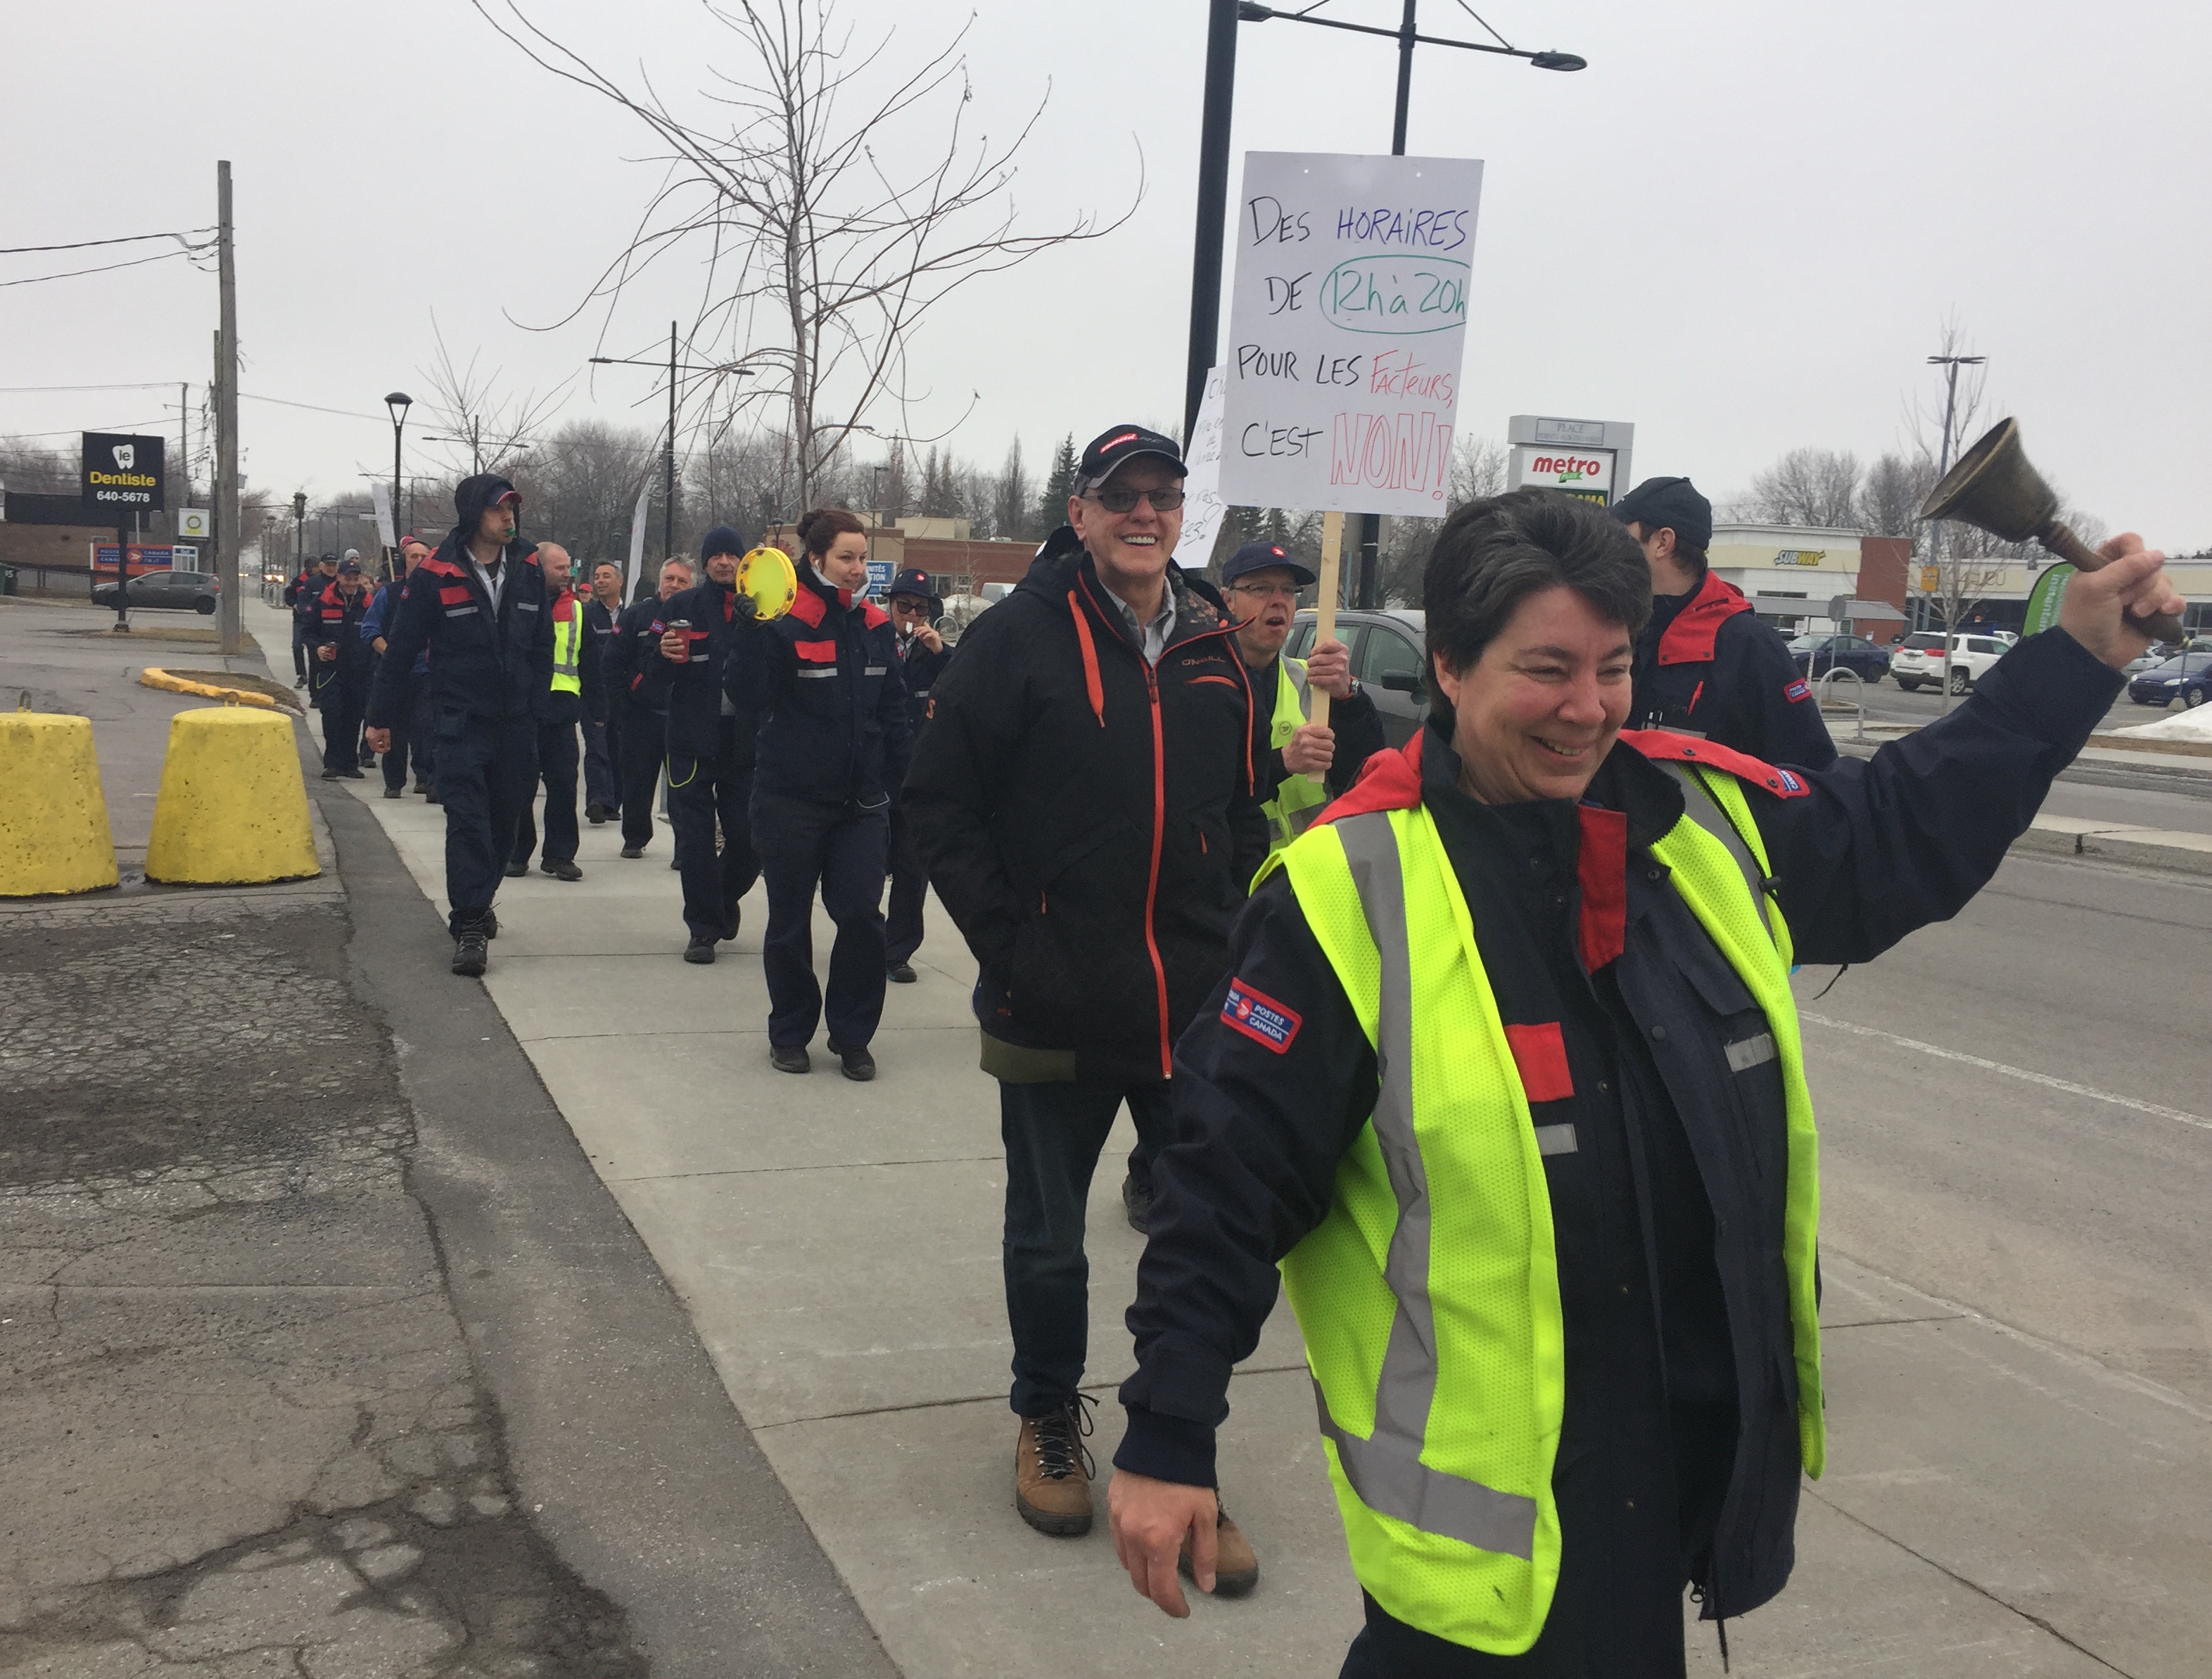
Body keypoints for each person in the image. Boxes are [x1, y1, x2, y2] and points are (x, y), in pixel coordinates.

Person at [1104, 489, 2182, 1674]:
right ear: (1450, 667)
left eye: (1610, 667)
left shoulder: (1701, 819)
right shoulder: (1344, 890)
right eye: (1546, 669)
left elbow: (1894, 832)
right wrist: (1167, 1431)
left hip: (1673, 1474)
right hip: (1493, 1528)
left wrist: (2071, 659)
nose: (1584, 709)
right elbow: (1222, 1178)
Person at [903, 424, 1267, 1570]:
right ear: (1079, 511)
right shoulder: (1014, 639)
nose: (1143, 514)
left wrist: (1241, 945)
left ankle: (1180, 1453)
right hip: (1051, 999)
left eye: (1160, 496)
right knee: (1050, 1240)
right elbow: (938, 808)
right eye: (1121, 497)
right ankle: (1046, 1417)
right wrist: (1015, 948)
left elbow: (1241, 814)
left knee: (1204, 1240)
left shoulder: (1216, 650)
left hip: (1190, 1006)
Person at [725, 508, 911, 1080]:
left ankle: (853, 1036)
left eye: (862, 559)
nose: (858, 569)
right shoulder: (784, 622)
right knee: (788, 922)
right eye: (846, 558)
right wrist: (749, 632)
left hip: (861, 806)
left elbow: (896, 714)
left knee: (861, 917)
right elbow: (748, 696)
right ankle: (790, 1033)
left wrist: (905, 787)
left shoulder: (877, 626)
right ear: (816, 560)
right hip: (791, 802)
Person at [365, 475, 554, 978]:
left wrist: (535, 702)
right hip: (459, 722)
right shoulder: (435, 573)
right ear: (475, 514)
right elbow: (401, 650)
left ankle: (479, 896)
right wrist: (379, 719)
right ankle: (470, 922)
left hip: (516, 724)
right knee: (467, 823)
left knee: (505, 822)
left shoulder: (530, 566)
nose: (509, 518)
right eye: (499, 510)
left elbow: (542, 644)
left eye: (513, 509)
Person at [1618, 476, 1838, 771]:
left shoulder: (1748, 645)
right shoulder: (1616, 626)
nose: (1611, 547)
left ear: (1662, 542)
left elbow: (1810, 773)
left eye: (1621, 535)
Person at [1218, 539, 1389, 872]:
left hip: (1316, 879)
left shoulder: (1310, 681)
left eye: (1288, 590)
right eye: (1261, 588)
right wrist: (1282, 762)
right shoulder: (1205, 684)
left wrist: (1348, 697)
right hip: (1239, 886)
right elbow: (1205, 792)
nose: (1278, 601)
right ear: (1228, 601)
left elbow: (1365, 772)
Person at [659, 526, 761, 964]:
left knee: (751, 838)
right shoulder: (681, 607)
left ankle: (720, 900)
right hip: (690, 741)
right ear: (704, 563)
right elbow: (650, 677)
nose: (724, 562)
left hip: (745, 744)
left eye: (731, 555)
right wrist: (661, 655)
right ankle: (702, 930)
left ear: (743, 562)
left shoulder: (760, 610)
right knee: (696, 842)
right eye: (715, 555)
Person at [506, 542, 603, 882]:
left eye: (569, 569)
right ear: (539, 568)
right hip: (522, 708)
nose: (567, 575)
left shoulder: (577, 610)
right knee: (520, 784)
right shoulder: (515, 604)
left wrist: (598, 708)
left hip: (561, 710)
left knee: (563, 784)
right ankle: (517, 853)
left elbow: (590, 661)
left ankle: (560, 855)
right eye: (560, 568)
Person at [878, 567, 948, 984]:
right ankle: (865, 940)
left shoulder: (936, 652)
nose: (911, 615)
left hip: (917, 778)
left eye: (920, 609)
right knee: (868, 868)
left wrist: (941, 653)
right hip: (875, 772)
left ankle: (898, 951)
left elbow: (965, 688)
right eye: (904, 606)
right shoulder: (873, 641)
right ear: (890, 606)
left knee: (911, 868)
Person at [606, 557, 692, 863]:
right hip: (640, 715)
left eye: (682, 581)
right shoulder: (636, 616)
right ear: (660, 581)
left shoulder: (699, 616)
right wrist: (622, 705)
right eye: (670, 579)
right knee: (637, 781)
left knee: (684, 789)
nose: (675, 586)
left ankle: (685, 848)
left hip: (683, 716)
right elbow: (612, 662)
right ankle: (634, 838)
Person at [362, 536, 436, 800]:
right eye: (413, 556)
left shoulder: (439, 593)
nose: (419, 561)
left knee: (427, 728)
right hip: (397, 675)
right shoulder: (390, 593)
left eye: (423, 556)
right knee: (394, 729)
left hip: (429, 673)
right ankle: (394, 782)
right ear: (403, 562)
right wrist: (394, 655)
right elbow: (370, 630)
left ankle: (428, 780)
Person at [303, 556, 376, 779]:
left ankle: (349, 763)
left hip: (358, 670)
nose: (351, 583)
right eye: (347, 578)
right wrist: (317, 649)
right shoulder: (323, 601)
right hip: (330, 669)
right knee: (333, 714)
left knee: (354, 716)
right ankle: (333, 762)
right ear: (339, 577)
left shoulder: (368, 603)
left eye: (355, 579)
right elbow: (308, 631)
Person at [582, 558, 627, 823]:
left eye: (606, 576)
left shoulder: (630, 615)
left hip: (621, 694)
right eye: (597, 576)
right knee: (596, 746)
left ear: (620, 581)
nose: (600, 581)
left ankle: (613, 803)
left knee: (618, 748)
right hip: (593, 693)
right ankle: (597, 801)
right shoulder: (586, 614)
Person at [285, 553, 335, 698]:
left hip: (330, 625)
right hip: (307, 623)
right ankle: (309, 686)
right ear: (321, 566)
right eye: (328, 565)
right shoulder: (308, 582)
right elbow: (299, 599)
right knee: (302, 649)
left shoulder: (339, 583)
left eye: (334, 565)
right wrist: (304, 611)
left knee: (326, 659)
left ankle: (326, 691)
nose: (331, 568)